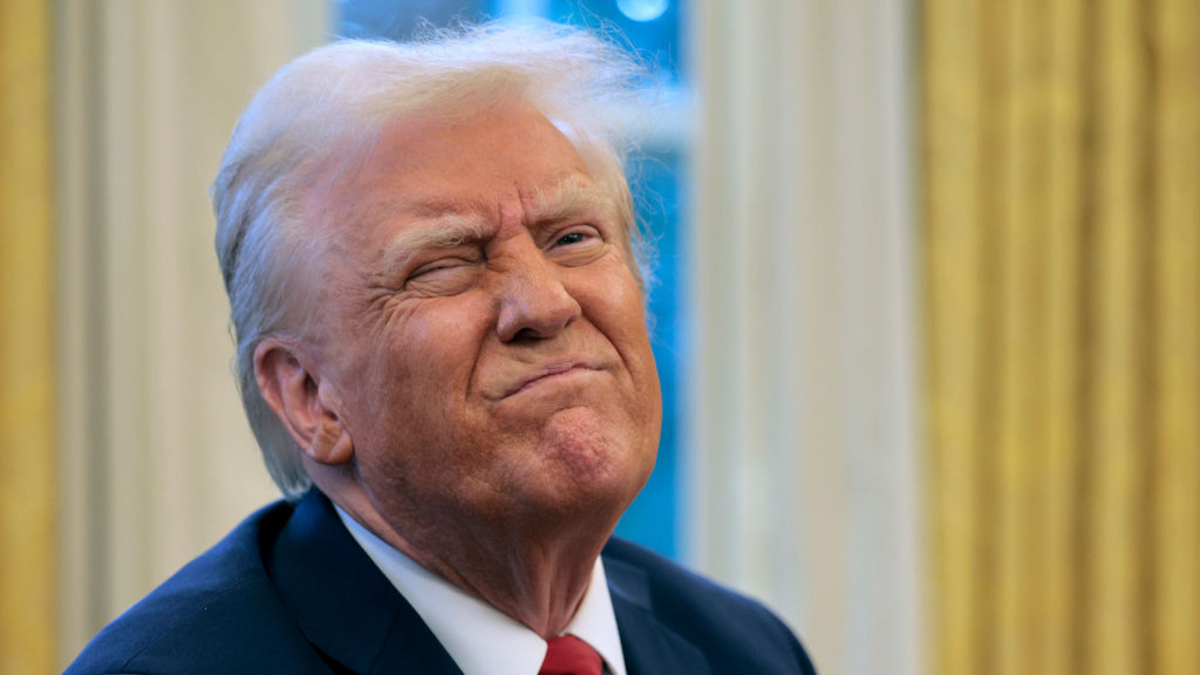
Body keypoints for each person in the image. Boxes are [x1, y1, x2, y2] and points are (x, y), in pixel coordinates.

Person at [67, 21, 816, 675]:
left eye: (573, 238)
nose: (547, 303)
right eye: (445, 262)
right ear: (310, 396)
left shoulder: (746, 651)